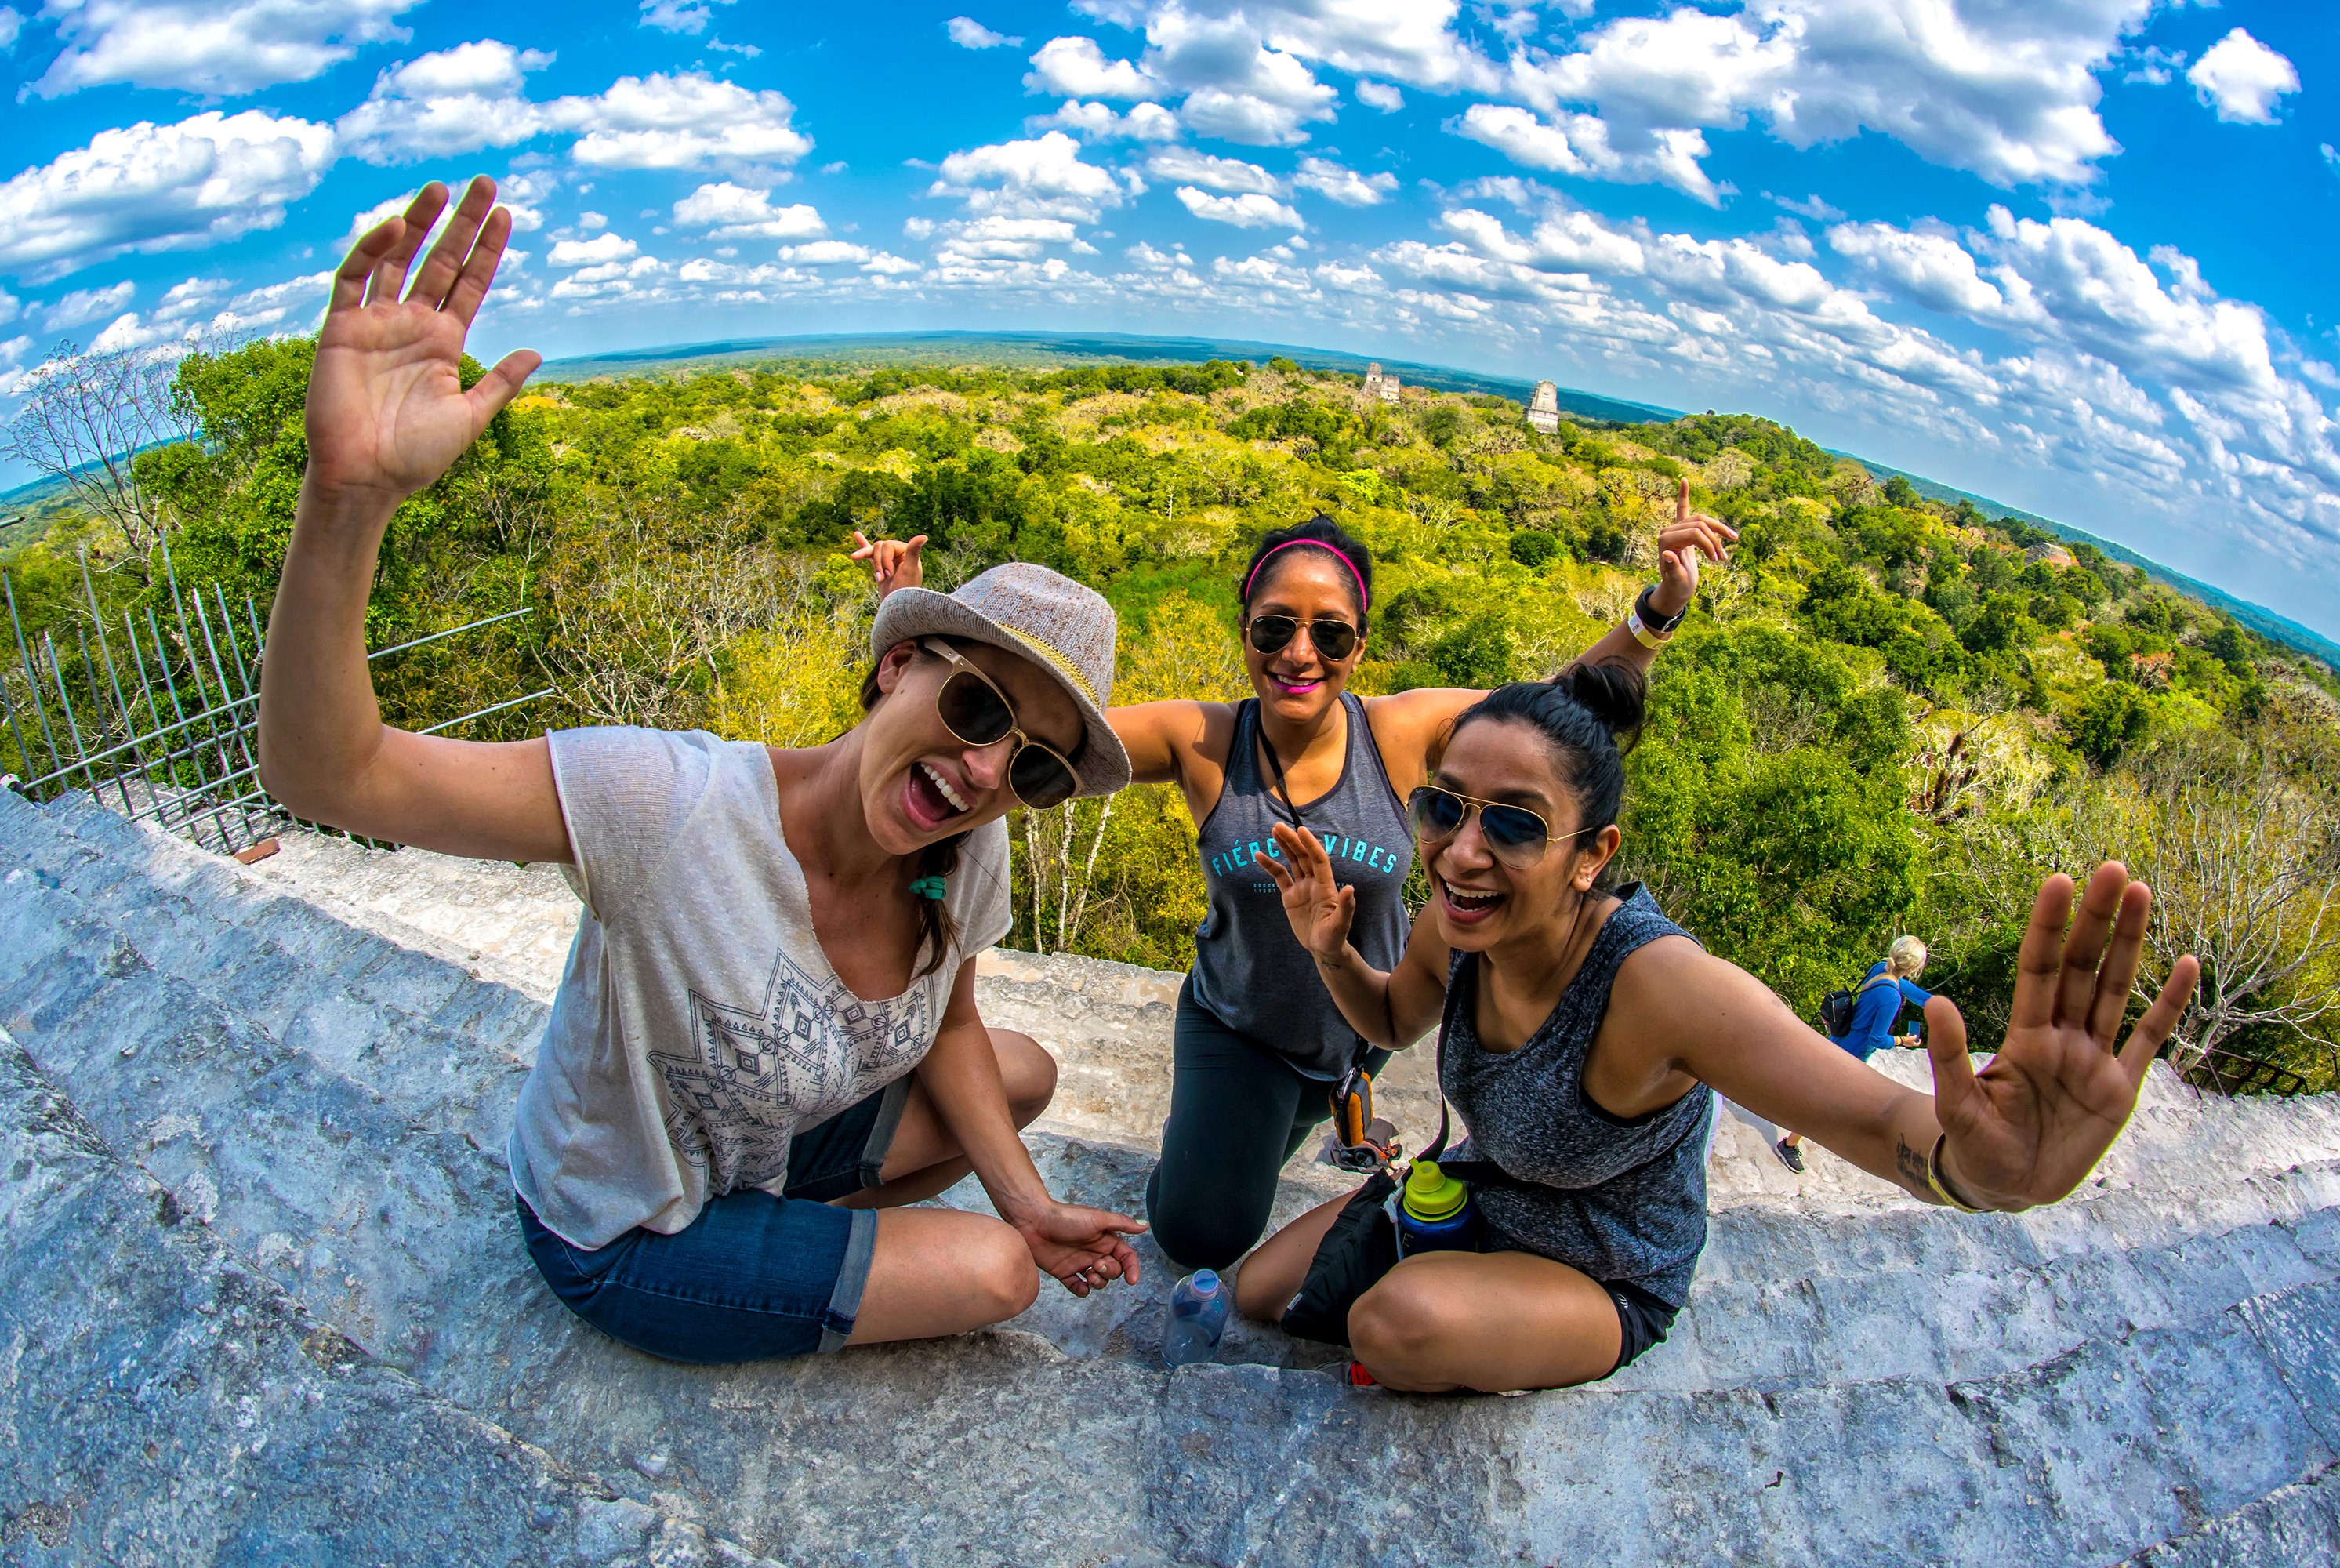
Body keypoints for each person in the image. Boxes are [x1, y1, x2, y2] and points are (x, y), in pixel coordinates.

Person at [256, 176, 1146, 1366]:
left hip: (759, 1147)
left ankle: (784, 1237)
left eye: (1032, 766)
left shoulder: (963, 849)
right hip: (621, 1220)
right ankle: (747, 1256)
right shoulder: (668, 807)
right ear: (896, 667)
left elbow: (955, 1027)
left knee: (1019, 1076)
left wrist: (1030, 1199)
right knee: (988, 1273)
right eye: (978, 706)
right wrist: (348, 500)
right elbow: (331, 778)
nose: (987, 772)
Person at [1233, 666, 2197, 1393]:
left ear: (1590, 854)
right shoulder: (1456, 921)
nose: (1464, 849)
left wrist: (1986, 1171)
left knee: (1391, 1324)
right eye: (1443, 805)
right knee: (1255, 1292)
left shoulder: (1662, 987)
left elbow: (1868, 1118)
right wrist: (1330, 951)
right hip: (1485, 1195)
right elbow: (1394, 1016)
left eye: (1517, 825)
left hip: (1604, 1267)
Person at [852, 497, 1737, 1272]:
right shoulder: (1200, 738)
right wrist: (914, 647)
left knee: (1281, 1139)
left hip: (1367, 1023)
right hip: (1240, 1024)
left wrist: (1657, 611)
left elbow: (1558, 713)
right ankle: (1223, 1140)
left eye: (1331, 632)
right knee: (1198, 1231)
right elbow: (1026, 742)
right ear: (1243, 629)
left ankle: (1291, 1124)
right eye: (1273, 627)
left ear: (1360, 644)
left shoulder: (1403, 732)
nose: (1298, 653)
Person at [1776, 935, 1935, 1173]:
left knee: (1821, 1090)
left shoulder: (1880, 969)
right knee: (1825, 1104)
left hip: (1840, 1037)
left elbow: (1907, 988)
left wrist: (1932, 1003)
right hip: (1852, 1055)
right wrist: (1904, 1040)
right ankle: (1789, 1145)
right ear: (1913, 967)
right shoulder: (1892, 998)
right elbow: (1877, 1039)